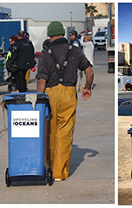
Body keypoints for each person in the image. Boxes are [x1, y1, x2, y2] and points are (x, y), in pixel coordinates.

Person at [36, 21, 93, 182]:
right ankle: (59, 173)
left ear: (50, 35)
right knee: (65, 133)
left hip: (50, 94)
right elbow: (89, 72)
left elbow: (41, 79)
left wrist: (39, 100)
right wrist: (87, 88)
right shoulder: (75, 50)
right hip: (69, 93)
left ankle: (49, 166)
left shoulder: (45, 53)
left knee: (50, 131)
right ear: (63, 34)